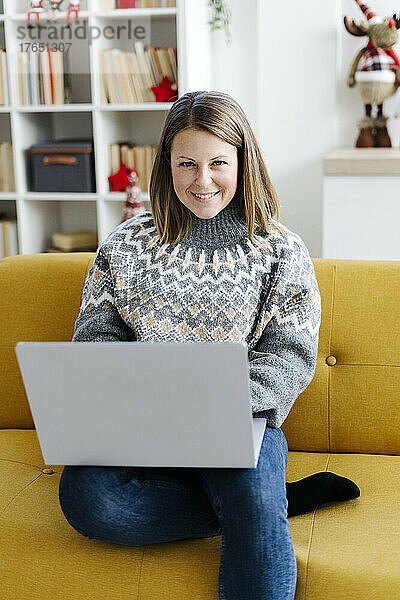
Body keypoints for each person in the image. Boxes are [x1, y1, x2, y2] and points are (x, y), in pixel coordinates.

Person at [59, 90, 360, 600]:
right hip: (143, 425)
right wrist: (141, 395)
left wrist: (213, 400)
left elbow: (289, 358)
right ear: (166, 167)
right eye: (187, 164)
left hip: (238, 423)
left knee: (250, 498)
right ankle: (267, 504)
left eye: (219, 163)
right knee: (89, 499)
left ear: (244, 161)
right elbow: (96, 340)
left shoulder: (281, 250)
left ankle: (255, 505)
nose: (203, 181)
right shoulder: (125, 246)